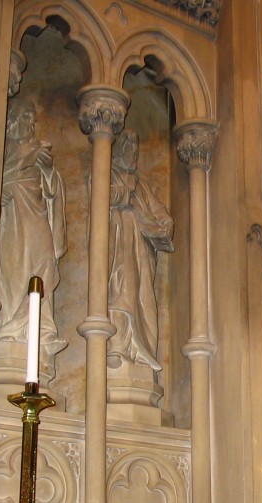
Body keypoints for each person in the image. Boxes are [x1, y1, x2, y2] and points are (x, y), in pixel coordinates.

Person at [0, 98, 67, 356]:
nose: (30, 124)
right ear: (12, 121)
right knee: (14, 273)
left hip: (36, 217)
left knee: (45, 262)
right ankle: (10, 327)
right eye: (25, 118)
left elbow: (50, 188)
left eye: (31, 119)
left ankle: (42, 328)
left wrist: (47, 170)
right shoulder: (1, 148)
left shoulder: (36, 147)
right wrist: (0, 190)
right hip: (11, 222)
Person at [107, 129, 175, 371]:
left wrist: (165, 226)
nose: (134, 154)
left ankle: (140, 352)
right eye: (130, 149)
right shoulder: (108, 174)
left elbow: (160, 212)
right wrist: (127, 192)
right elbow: (106, 196)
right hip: (120, 247)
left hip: (143, 253)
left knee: (143, 298)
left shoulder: (142, 186)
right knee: (122, 291)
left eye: (137, 150)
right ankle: (118, 346)